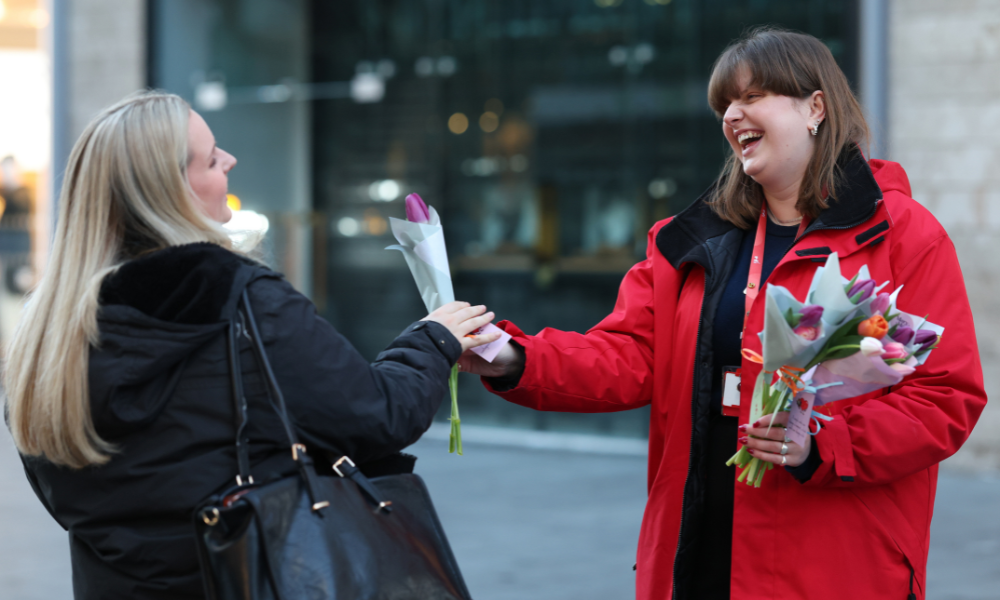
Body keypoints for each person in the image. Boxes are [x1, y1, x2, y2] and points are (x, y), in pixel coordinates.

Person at [460, 28, 986, 600]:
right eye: (724, 105)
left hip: (835, 558)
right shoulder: (690, 241)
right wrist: (509, 356)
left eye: (753, 96)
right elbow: (628, 355)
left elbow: (944, 397)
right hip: (700, 543)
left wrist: (823, 444)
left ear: (816, 107)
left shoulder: (903, 236)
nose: (733, 114)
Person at [2, 91, 501, 599]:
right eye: (214, 157)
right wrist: (434, 340)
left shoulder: (47, 332)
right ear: (172, 188)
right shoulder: (237, 298)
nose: (231, 162)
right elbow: (377, 415)